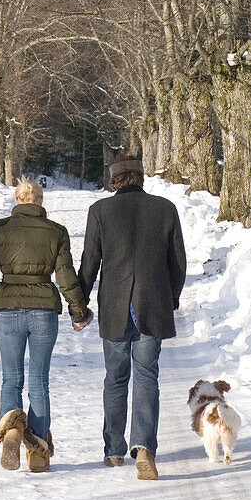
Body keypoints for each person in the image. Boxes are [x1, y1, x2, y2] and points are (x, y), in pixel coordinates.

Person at [0, 178, 92, 472]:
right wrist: (78, 309)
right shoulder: (56, 232)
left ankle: (11, 430)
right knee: (39, 381)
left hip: (8, 309)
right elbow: (65, 275)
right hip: (43, 312)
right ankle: (38, 452)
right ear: (40, 201)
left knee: (11, 378)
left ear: (17, 201)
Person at [78, 155, 186, 480]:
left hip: (114, 307)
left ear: (114, 181)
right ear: (140, 178)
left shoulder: (100, 211)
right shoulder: (165, 209)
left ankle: (113, 450)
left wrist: (79, 303)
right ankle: (144, 449)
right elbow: (178, 262)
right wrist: (172, 298)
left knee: (115, 378)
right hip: (152, 306)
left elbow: (89, 262)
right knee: (147, 377)